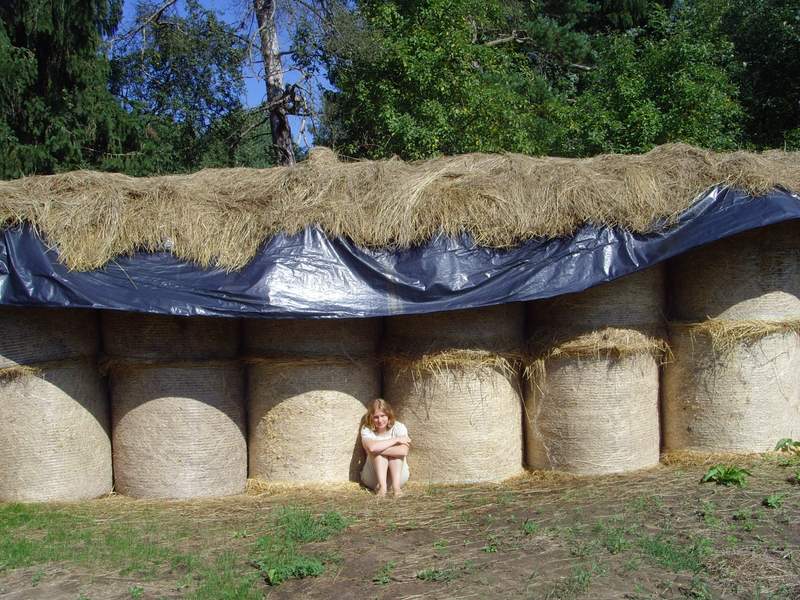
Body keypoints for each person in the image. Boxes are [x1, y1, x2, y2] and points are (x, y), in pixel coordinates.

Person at [360, 398, 410, 497]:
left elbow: (403, 451)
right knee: (379, 455)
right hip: (373, 479)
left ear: (388, 415)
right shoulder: (367, 429)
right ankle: (382, 488)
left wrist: (377, 449)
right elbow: (372, 448)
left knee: (393, 455)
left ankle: (396, 488)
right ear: (371, 417)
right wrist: (396, 440)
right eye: (376, 417)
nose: (380, 420)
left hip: (399, 478)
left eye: (383, 416)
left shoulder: (399, 427)